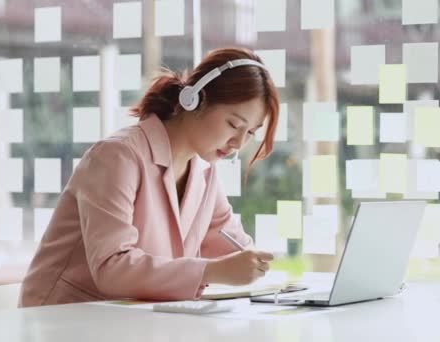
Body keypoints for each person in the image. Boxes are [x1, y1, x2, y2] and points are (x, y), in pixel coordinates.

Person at [19, 47, 280, 307]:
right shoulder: (118, 156)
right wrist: (211, 271)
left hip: (130, 321)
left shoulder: (203, 171)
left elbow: (232, 244)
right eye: (234, 124)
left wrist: (256, 264)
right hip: (60, 319)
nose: (238, 142)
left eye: (250, 133)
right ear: (196, 99)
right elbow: (112, 268)